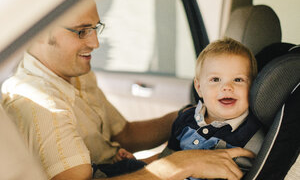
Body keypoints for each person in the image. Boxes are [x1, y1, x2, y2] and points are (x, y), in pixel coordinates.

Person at [1, 1, 255, 180]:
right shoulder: (40, 105)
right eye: (81, 31)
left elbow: (125, 134)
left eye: (95, 28)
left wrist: (192, 116)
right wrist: (175, 166)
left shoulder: (76, 73)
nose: (95, 42)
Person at [95, 38, 263, 178]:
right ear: (199, 88)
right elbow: (168, 158)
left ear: (253, 86)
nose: (227, 87)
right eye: (215, 80)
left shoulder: (249, 131)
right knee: (116, 169)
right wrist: (141, 163)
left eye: (238, 80)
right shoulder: (187, 118)